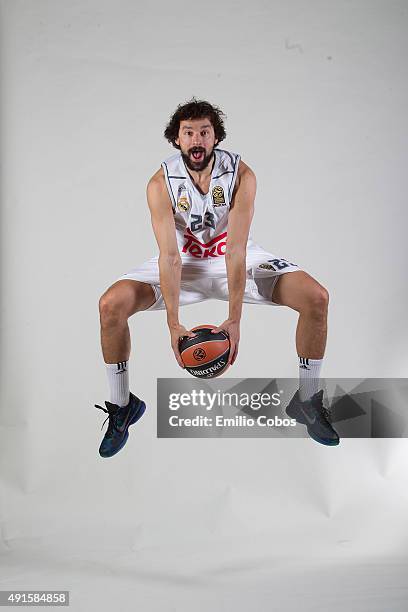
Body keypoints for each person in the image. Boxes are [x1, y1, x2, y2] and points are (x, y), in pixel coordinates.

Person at [95, 98, 339, 457]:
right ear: (176, 139)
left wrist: (235, 320)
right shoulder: (160, 183)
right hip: (186, 263)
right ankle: (122, 406)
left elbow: (236, 251)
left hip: (237, 259)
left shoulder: (242, 175)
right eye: (188, 132)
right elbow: (170, 256)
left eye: (204, 132)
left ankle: (306, 401)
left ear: (216, 137)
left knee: (316, 298)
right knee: (110, 305)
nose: (197, 139)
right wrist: (174, 324)